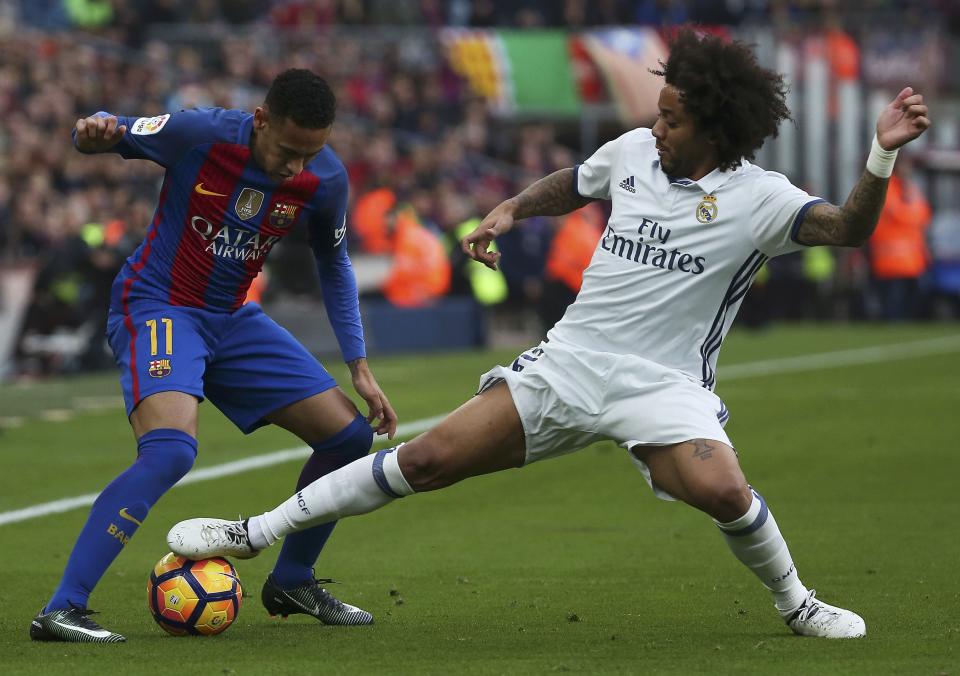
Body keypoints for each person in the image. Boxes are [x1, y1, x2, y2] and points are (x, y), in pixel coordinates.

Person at [167, 31, 930, 639]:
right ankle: (252, 531)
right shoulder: (633, 153)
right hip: (568, 365)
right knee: (426, 460)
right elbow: (577, 180)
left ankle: (798, 606)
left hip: (664, 387)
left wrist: (881, 150)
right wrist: (511, 210)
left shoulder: (761, 199)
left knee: (723, 490)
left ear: (714, 126)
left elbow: (850, 227)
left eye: (672, 118)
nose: (655, 126)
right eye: (658, 112)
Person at [30, 69, 398, 643]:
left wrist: (359, 365)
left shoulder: (326, 180)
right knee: (171, 452)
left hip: (230, 317)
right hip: (159, 305)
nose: (296, 168)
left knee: (348, 438)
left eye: (311, 153)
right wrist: (92, 133)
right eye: (287, 150)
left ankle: (293, 579)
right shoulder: (199, 134)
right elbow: (104, 135)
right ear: (261, 120)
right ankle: (62, 608)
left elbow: (334, 264)